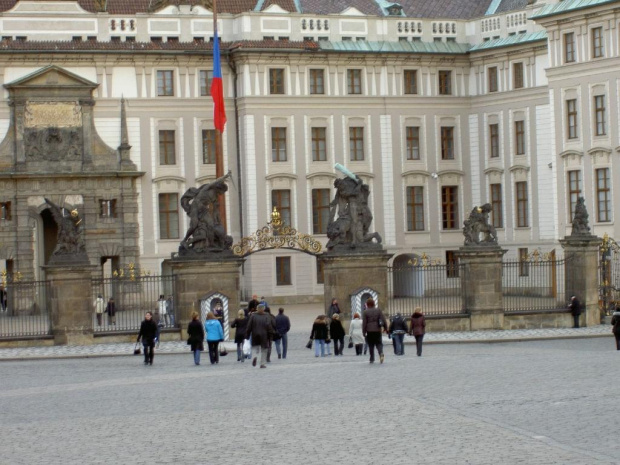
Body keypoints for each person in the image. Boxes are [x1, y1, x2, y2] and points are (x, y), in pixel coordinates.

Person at [245, 304, 273, 368]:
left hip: (255, 334)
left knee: (255, 347)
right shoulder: (267, 316)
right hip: (264, 335)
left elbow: (249, 326)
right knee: (264, 349)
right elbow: (269, 326)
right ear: (263, 309)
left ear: (257, 309)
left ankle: (255, 356)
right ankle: (262, 363)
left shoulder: (253, 316)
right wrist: (270, 335)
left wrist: (247, 335)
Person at [362, 298, 387, 364]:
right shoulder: (378, 310)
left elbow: (364, 323)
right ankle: (381, 353)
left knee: (371, 345)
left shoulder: (365, 312)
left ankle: (372, 358)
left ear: (367, 304)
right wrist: (385, 328)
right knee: (379, 343)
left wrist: (363, 332)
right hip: (377, 329)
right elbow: (383, 319)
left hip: (369, 330)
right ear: (373, 303)